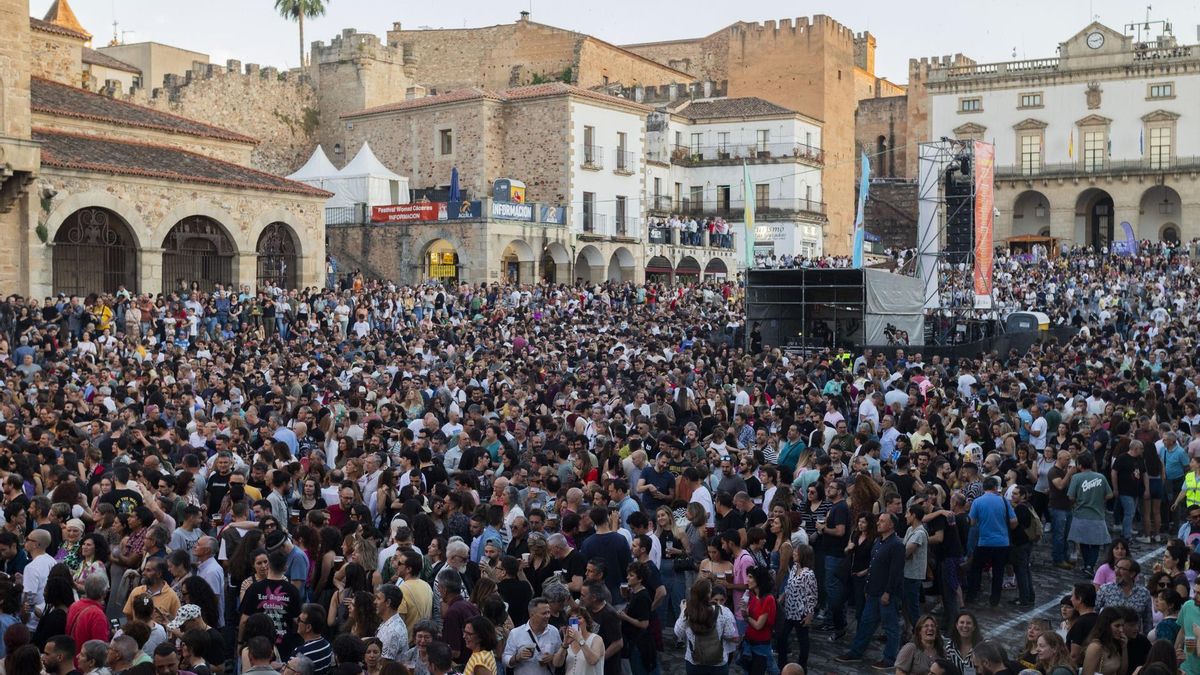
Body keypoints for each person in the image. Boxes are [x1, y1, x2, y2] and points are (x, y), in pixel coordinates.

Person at [835, 512, 905, 669]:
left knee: (891, 627)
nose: (878, 523)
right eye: (878, 521)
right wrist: (867, 587)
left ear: (891, 525)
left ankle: (890, 659)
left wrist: (888, 592)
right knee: (866, 624)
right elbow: (873, 566)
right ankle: (856, 652)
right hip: (873, 592)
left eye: (882, 521)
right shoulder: (879, 542)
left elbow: (895, 572)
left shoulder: (897, 545)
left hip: (886, 594)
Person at [965, 477, 1016, 608]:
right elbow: (1013, 522)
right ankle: (995, 599)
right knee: (998, 571)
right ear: (995, 487)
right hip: (1002, 542)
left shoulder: (977, 502)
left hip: (984, 542)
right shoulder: (1004, 501)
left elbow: (972, 522)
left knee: (976, 569)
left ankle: (972, 595)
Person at [673, 578, 738, 675]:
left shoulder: (688, 611)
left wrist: (682, 610)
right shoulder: (723, 611)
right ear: (708, 595)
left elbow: (678, 632)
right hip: (718, 662)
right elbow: (730, 634)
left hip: (694, 662)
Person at [1068, 453, 1113, 577]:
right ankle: (1090, 565)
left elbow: (1071, 496)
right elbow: (1110, 494)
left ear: (1080, 465)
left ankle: (1088, 565)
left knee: (1083, 541)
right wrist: (1100, 499)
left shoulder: (1076, 478)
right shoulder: (1101, 477)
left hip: (1080, 514)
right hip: (1097, 515)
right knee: (1095, 543)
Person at [503, 597, 562, 675]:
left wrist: (552, 657)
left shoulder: (554, 631)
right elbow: (505, 658)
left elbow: (561, 654)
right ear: (532, 614)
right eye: (544, 613)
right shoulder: (516, 633)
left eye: (548, 612)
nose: (548, 616)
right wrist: (517, 658)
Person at [551, 606, 604, 675]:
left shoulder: (596, 639)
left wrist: (580, 640)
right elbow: (556, 664)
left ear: (587, 621)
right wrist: (565, 645)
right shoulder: (568, 640)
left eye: (579, 618)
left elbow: (593, 660)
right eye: (572, 619)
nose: (576, 622)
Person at [1080, 607, 1128, 675]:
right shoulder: (1095, 647)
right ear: (1106, 626)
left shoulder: (1113, 644)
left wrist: (1124, 648)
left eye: (1122, 626)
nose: (1121, 630)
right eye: (1117, 626)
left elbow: (1122, 672)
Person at [292, 603, 333, 675]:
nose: (296, 622)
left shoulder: (300, 653)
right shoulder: (327, 645)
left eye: (299, 620)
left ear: (308, 628)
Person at [376, 584, 409, 663]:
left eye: (378, 598)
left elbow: (385, 664)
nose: (375, 602)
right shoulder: (388, 622)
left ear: (388, 602)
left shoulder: (393, 631)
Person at [942, 611, 981, 675]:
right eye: (962, 622)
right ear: (956, 626)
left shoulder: (981, 647)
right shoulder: (950, 647)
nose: (965, 626)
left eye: (968, 623)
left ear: (974, 627)